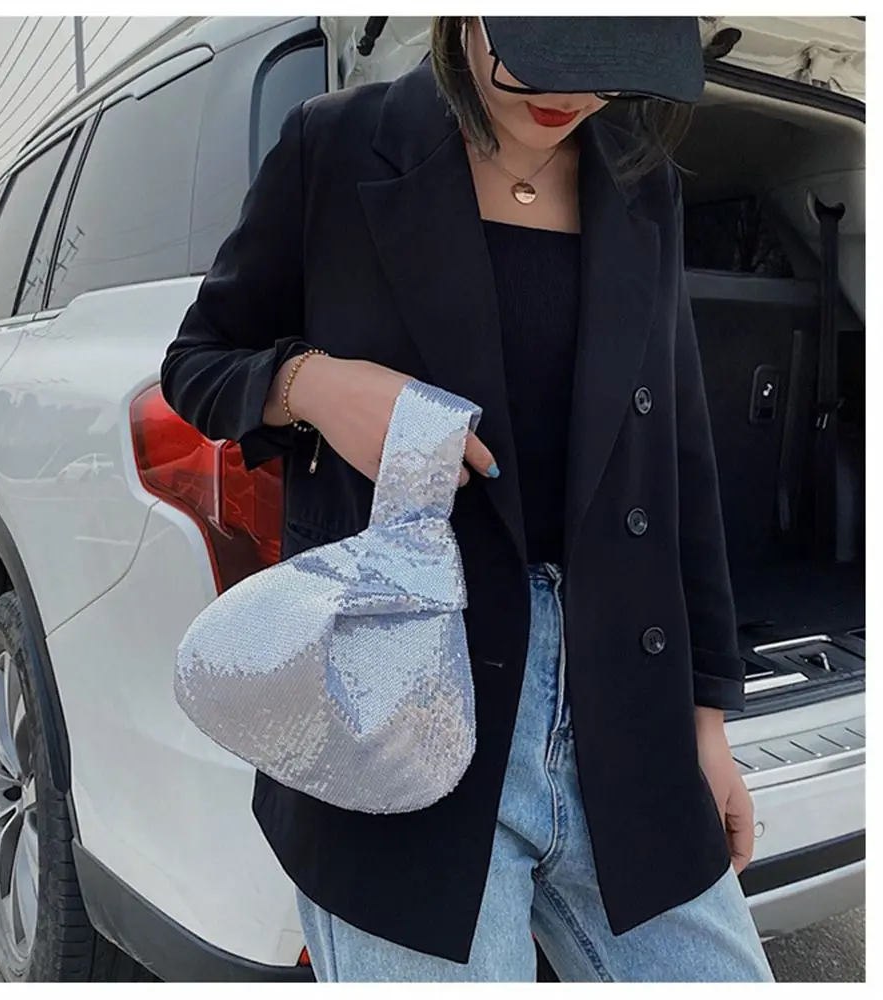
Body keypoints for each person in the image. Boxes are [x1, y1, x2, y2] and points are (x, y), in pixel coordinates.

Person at [161, 16, 775, 983]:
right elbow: (197, 363)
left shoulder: (638, 176)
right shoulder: (336, 145)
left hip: (625, 710)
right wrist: (318, 385)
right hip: (407, 695)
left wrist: (707, 723)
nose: (572, 95)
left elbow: (679, 457)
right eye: (543, 53)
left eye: (611, 63)